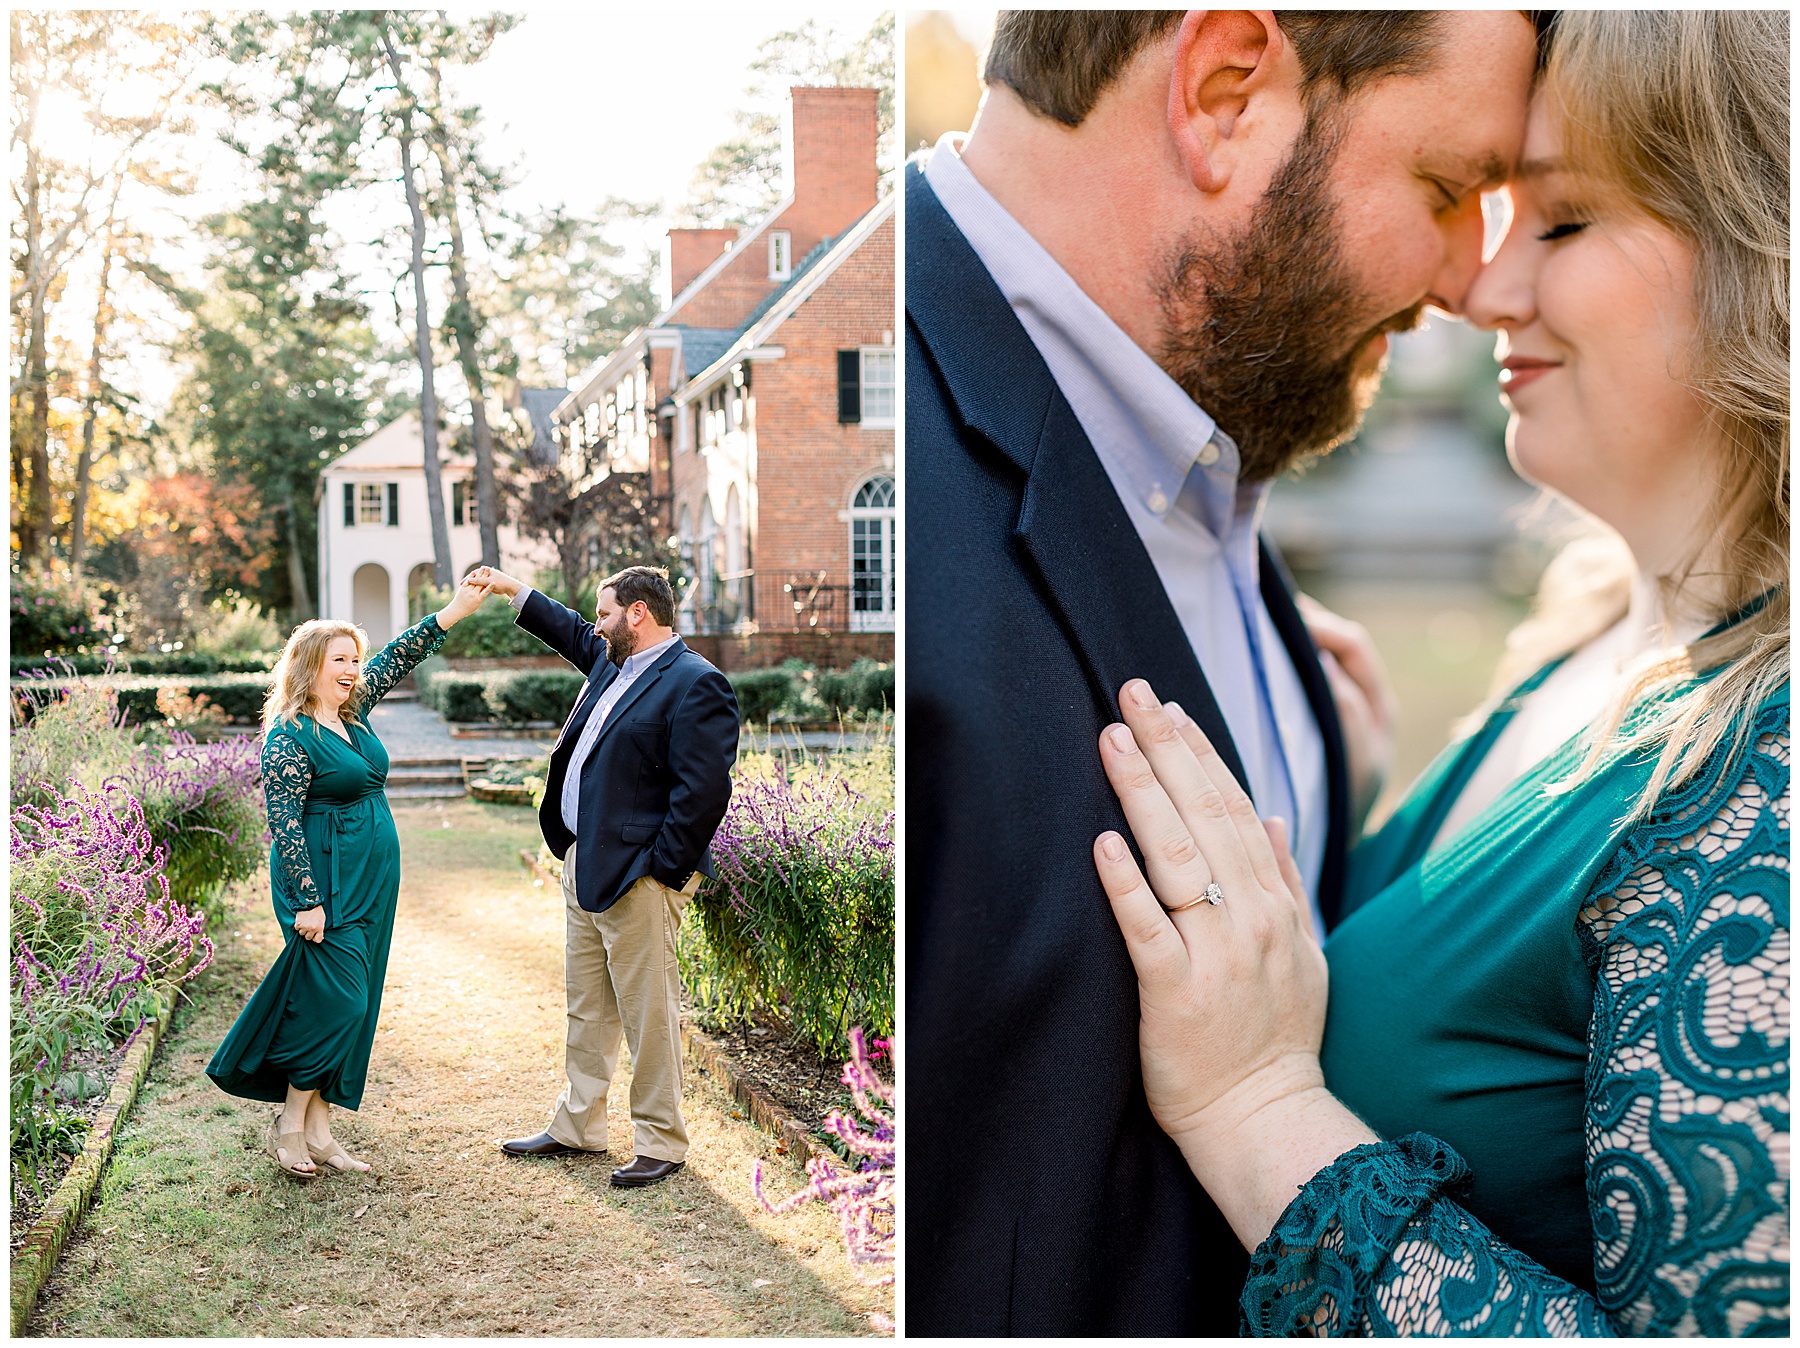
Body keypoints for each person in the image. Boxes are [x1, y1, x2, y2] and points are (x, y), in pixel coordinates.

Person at [1095, 9, 1788, 1335]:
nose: (1485, 287)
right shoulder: (1598, 635)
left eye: (1564, 220)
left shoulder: (1778, 778)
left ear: (1762, 246)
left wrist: (1259, 1111)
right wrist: (1344, 824)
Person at [905, 11, 1542, 1334]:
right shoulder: (902, 494)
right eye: (1446, 187)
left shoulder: (1205, 442)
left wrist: (1324, 794)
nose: (1473, 280)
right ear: (1224, 91)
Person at [209, 573, 493, 1179]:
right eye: (339, 659)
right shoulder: (288, 737)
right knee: (339, 1003)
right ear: (309, 665)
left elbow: (401, 655)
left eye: (355, 660)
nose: (353, 669)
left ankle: (320, 1131)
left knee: (353, 1005)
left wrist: (454, 611)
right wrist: (307, 902)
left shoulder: (352, 714)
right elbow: (284, 825)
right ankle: (289, 1126)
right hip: (324, 885)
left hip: (371, 882)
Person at [469, 564, 738, 1189]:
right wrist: (512, 589)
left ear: (638, 613)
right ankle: (579, 1126)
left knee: (649, 1015)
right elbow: (567, 630)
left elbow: (702, 793)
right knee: (587, 1007)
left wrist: (660, 873)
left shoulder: (696, 683)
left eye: (605, 612)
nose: (595, 625)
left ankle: (660, 1141)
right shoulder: (611, 662)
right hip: (582, 863)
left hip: (639, 880)